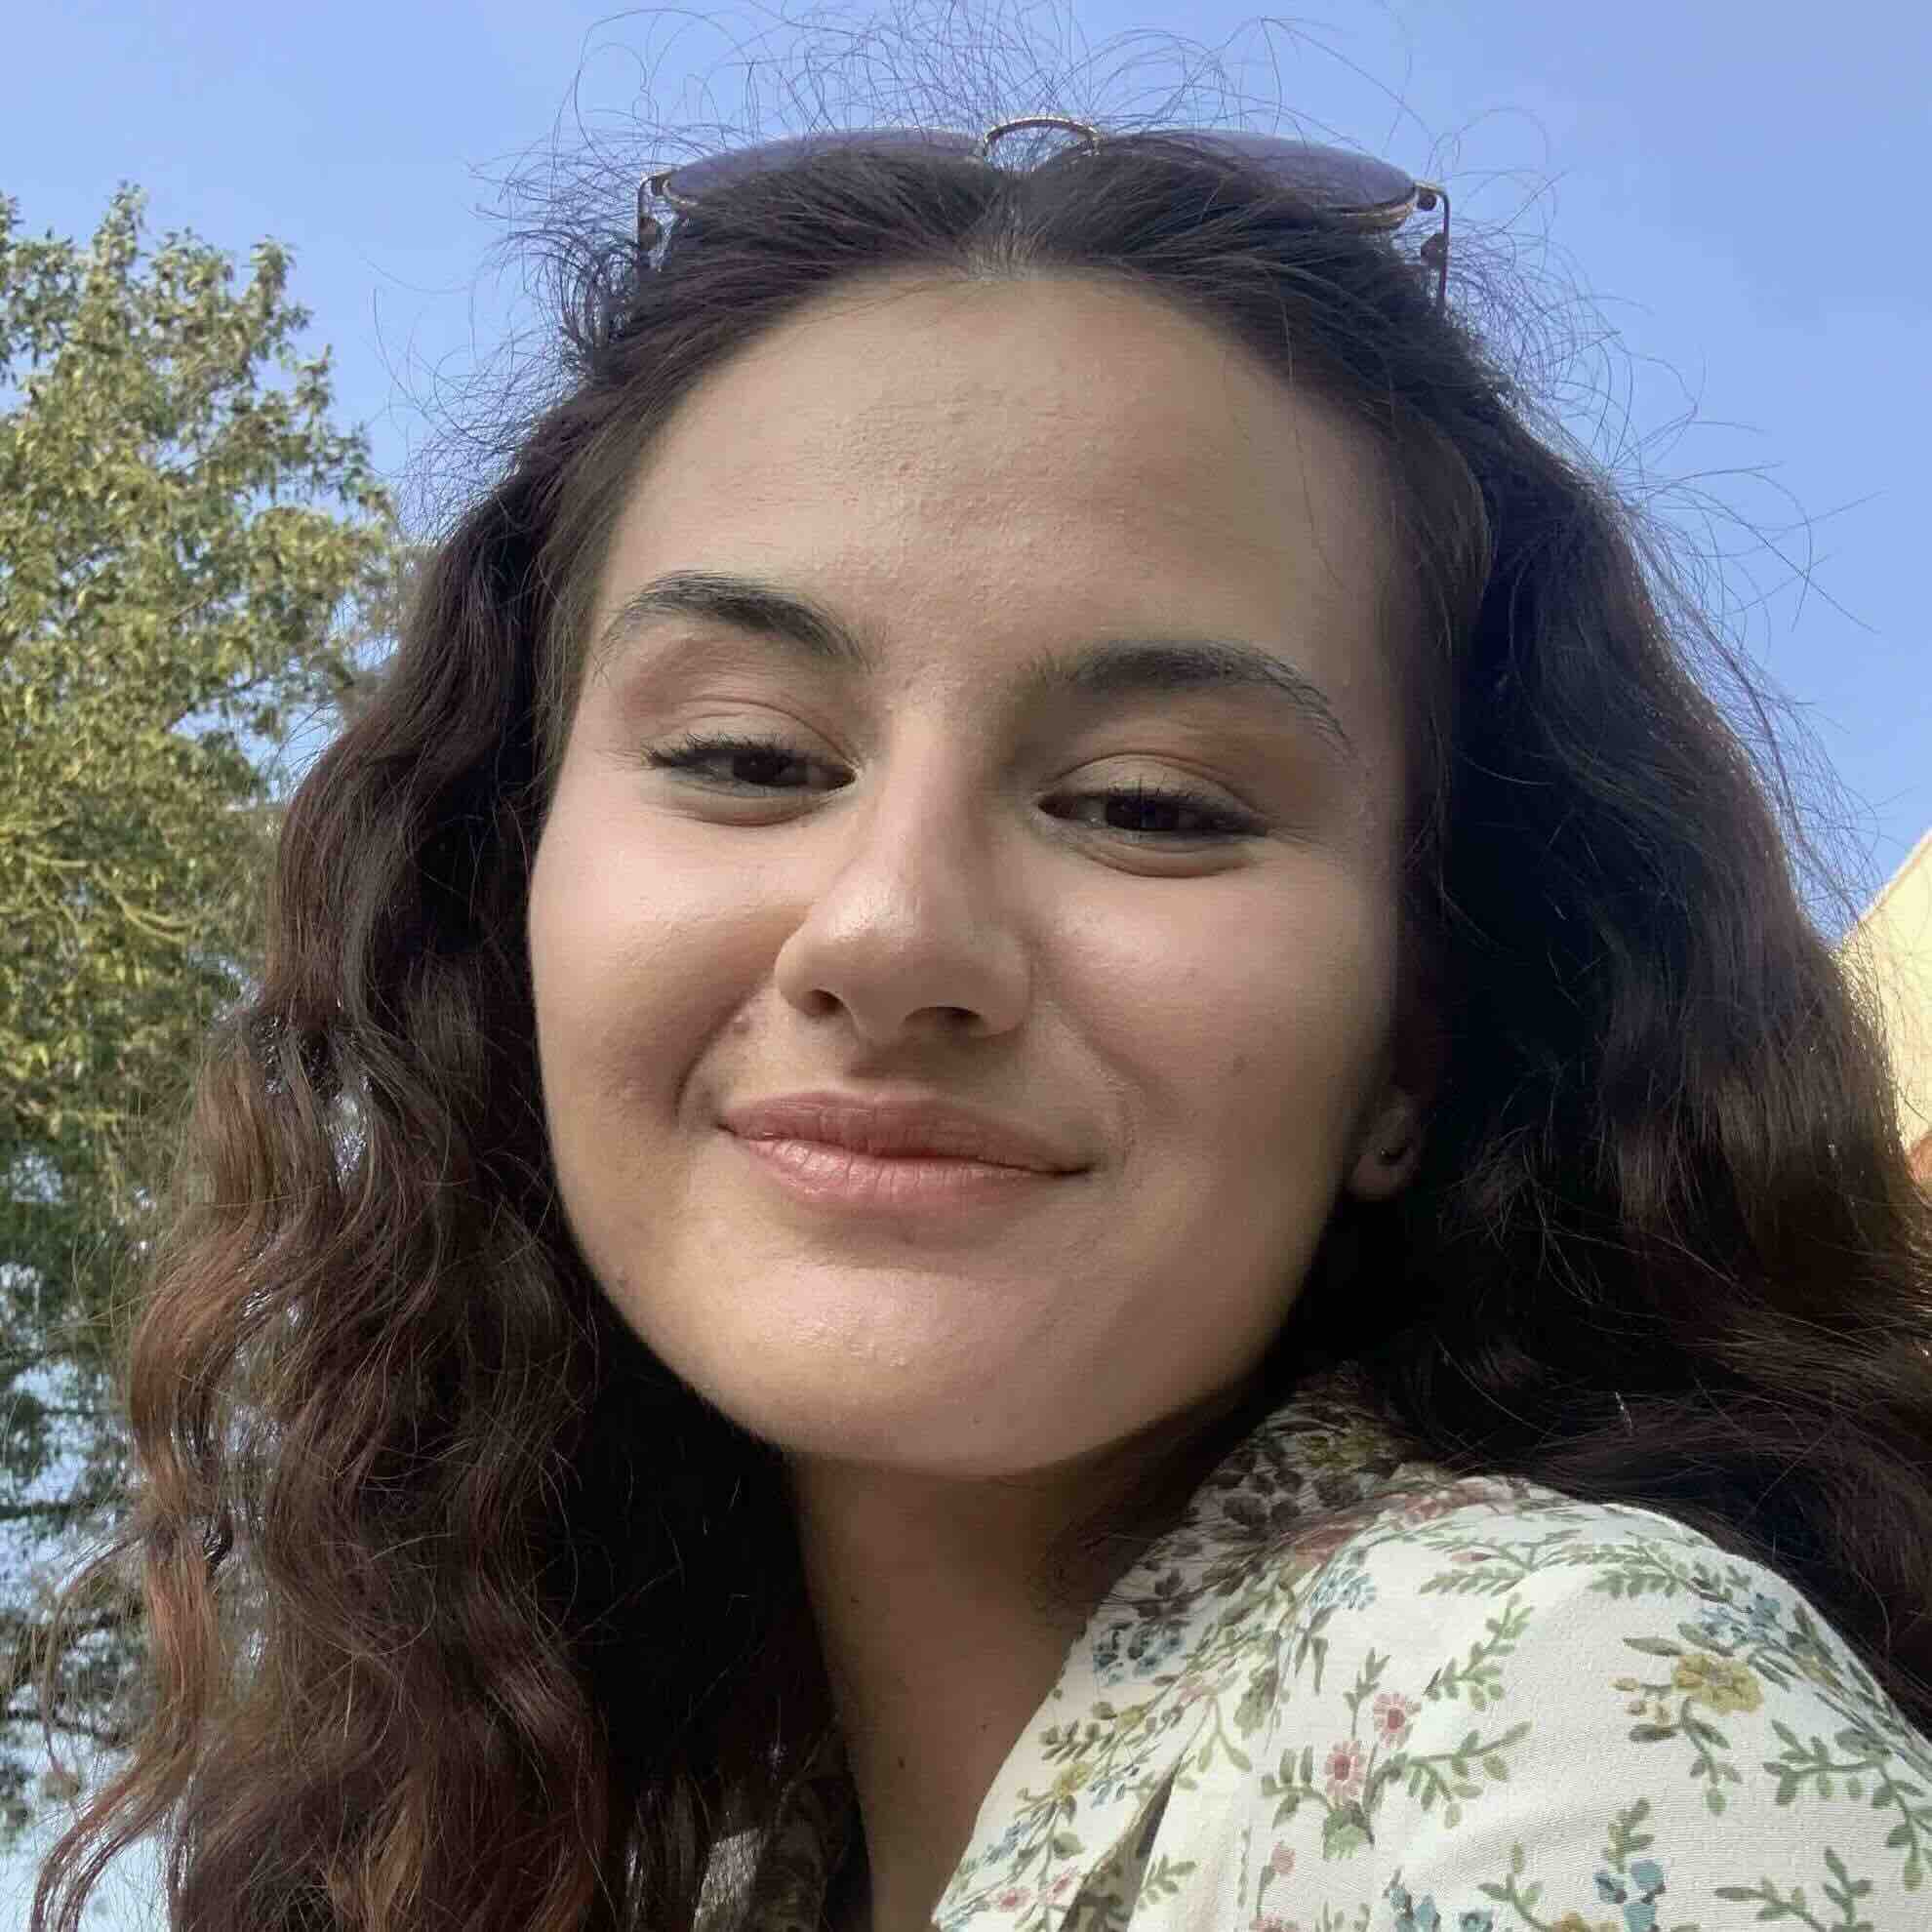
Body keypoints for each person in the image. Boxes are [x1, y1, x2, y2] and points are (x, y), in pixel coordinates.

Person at [29, 48, 1932, 1932]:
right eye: (749, 757)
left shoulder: (1557, 1720)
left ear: (1413, 1046)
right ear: (506, 907)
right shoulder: (714, 1860)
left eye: (1151, 803)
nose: (888, 934)